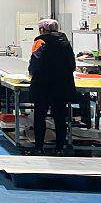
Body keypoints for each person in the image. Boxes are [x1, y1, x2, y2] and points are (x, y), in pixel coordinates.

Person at [28, 18, 77, 155]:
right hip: (61, 85)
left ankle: (39, 147)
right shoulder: (65, 42)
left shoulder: (40, 42)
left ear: (42, 29)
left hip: (42, 85)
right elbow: (72, 65)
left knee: (40, 116)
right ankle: (60, 148)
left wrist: (32, 72)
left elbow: (34, 62)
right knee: (60, 117)